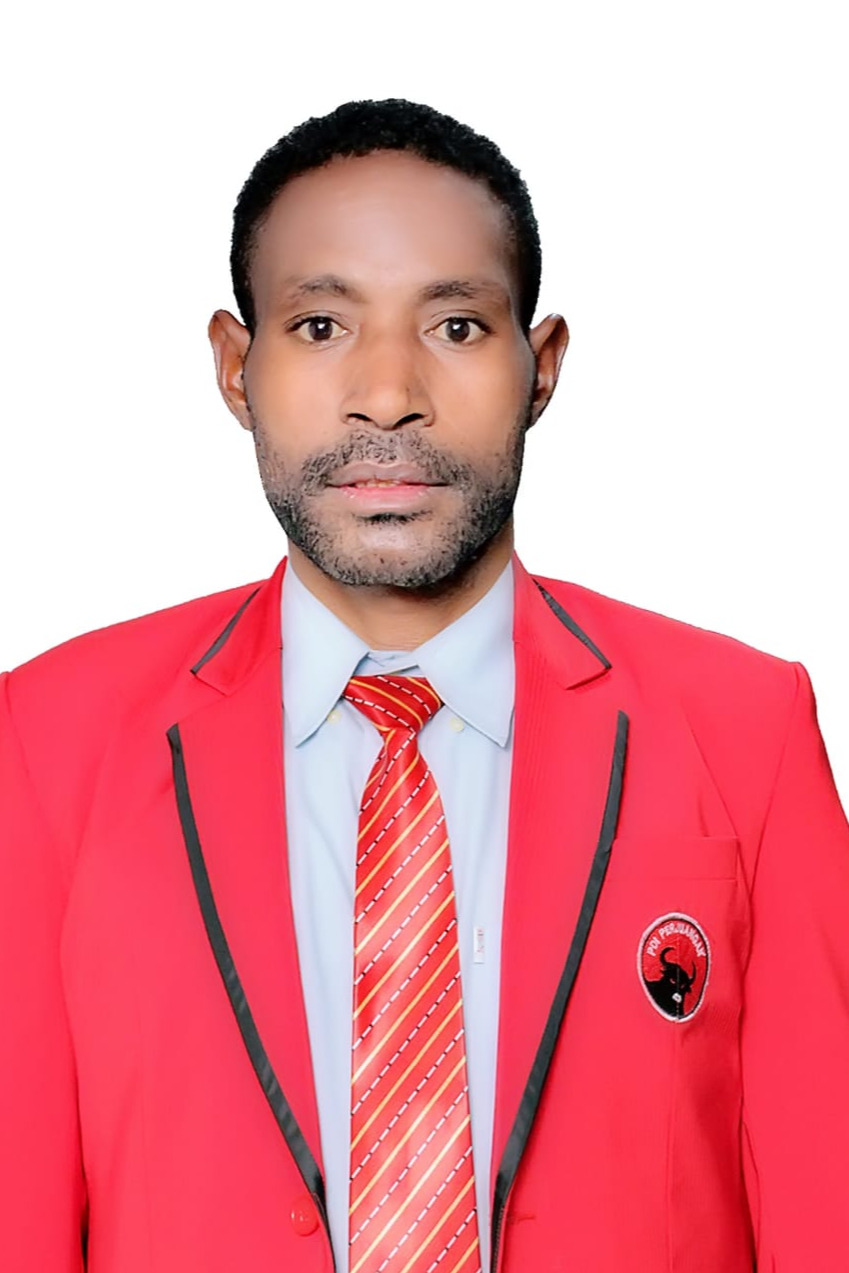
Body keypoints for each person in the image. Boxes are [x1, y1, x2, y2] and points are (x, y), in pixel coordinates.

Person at [1, 98, 847, 1273]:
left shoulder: (746, 729)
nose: (389, 393)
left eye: (455, 325)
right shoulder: (47, 740)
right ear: (236, 369)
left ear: (540, 366)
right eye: (320, 326)